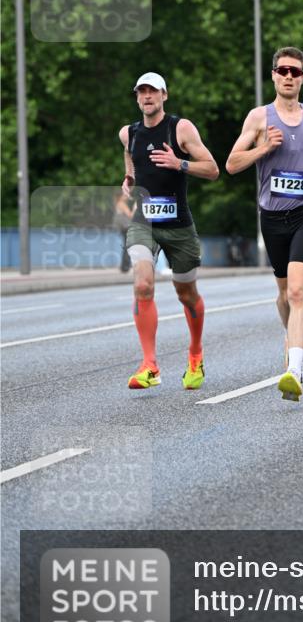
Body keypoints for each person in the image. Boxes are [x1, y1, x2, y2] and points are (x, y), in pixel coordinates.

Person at [225, 47, 303, 402]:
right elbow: (230, 163)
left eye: (295, 71)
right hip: (273, 215)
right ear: (273, 75)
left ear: (302, 77)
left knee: (297, 291)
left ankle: (294, 367)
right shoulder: (259, 118)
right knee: (282, 293)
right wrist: (264, 148)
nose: (289, 76)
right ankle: (292, 342)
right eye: (283, 70)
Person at [119, 72, 219, 390]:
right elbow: (129, 157)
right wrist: (130, 178)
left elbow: (213, 169)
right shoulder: (128, 133)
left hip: (178, 227)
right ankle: (150, 365)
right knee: (143, 284)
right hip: (143, 223)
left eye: (153, 91)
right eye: (142, 92)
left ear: (164, 95)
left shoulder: (181, 128)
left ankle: (195, 353)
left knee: (185, 293)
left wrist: (181, 164)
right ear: (137, 97)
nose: (147, 97)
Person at [113, 191, 133, 272]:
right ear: (121, 196)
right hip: (126, 227)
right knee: (128, 247)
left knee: (126, 247)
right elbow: (130, 215)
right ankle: (125, 267)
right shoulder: (122, 204)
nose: (127, 196)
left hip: (123, 228)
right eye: (125, 195)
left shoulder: (118, 204)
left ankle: (124, 266)